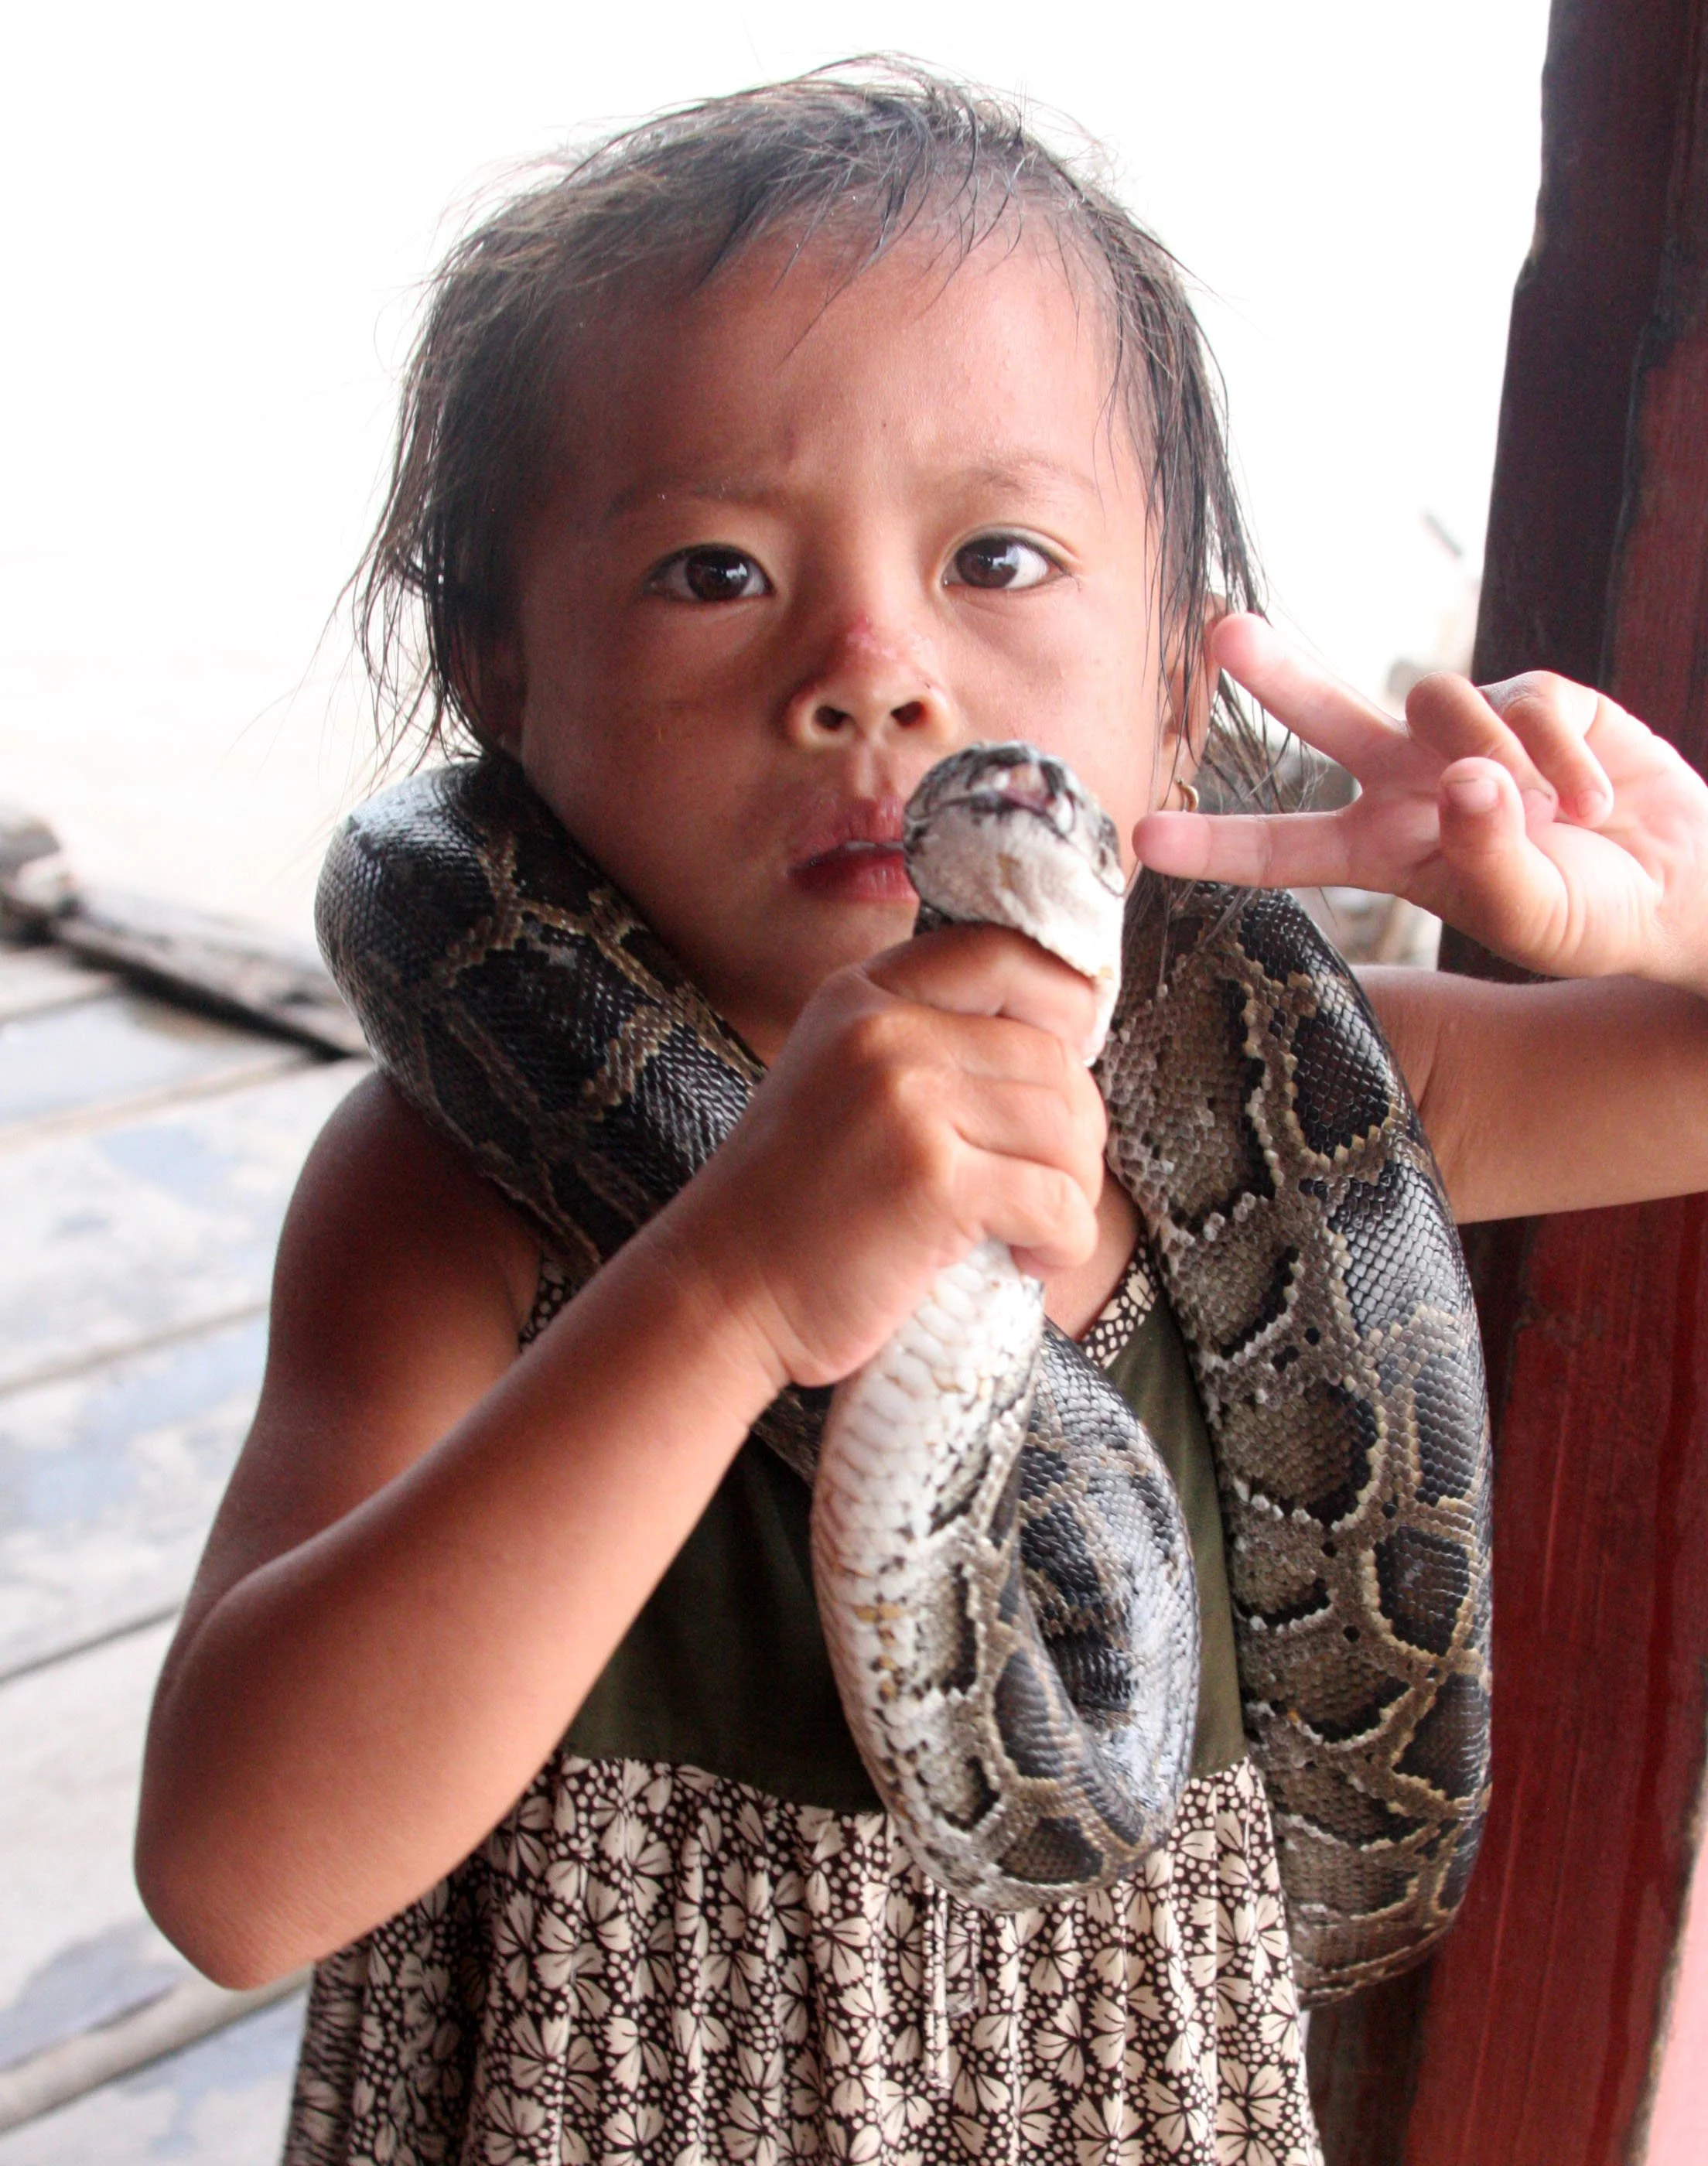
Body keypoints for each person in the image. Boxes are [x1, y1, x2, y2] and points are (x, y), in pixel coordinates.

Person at [135, 64, 1708, 2166]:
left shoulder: (1346, 1082)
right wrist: (723, 1287)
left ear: (1178, 677)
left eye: (997, 552)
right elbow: (234, 1877)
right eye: (712, 570)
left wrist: (1664, 899)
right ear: (500, 671)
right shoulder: (454, 1189)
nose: (872, 665)